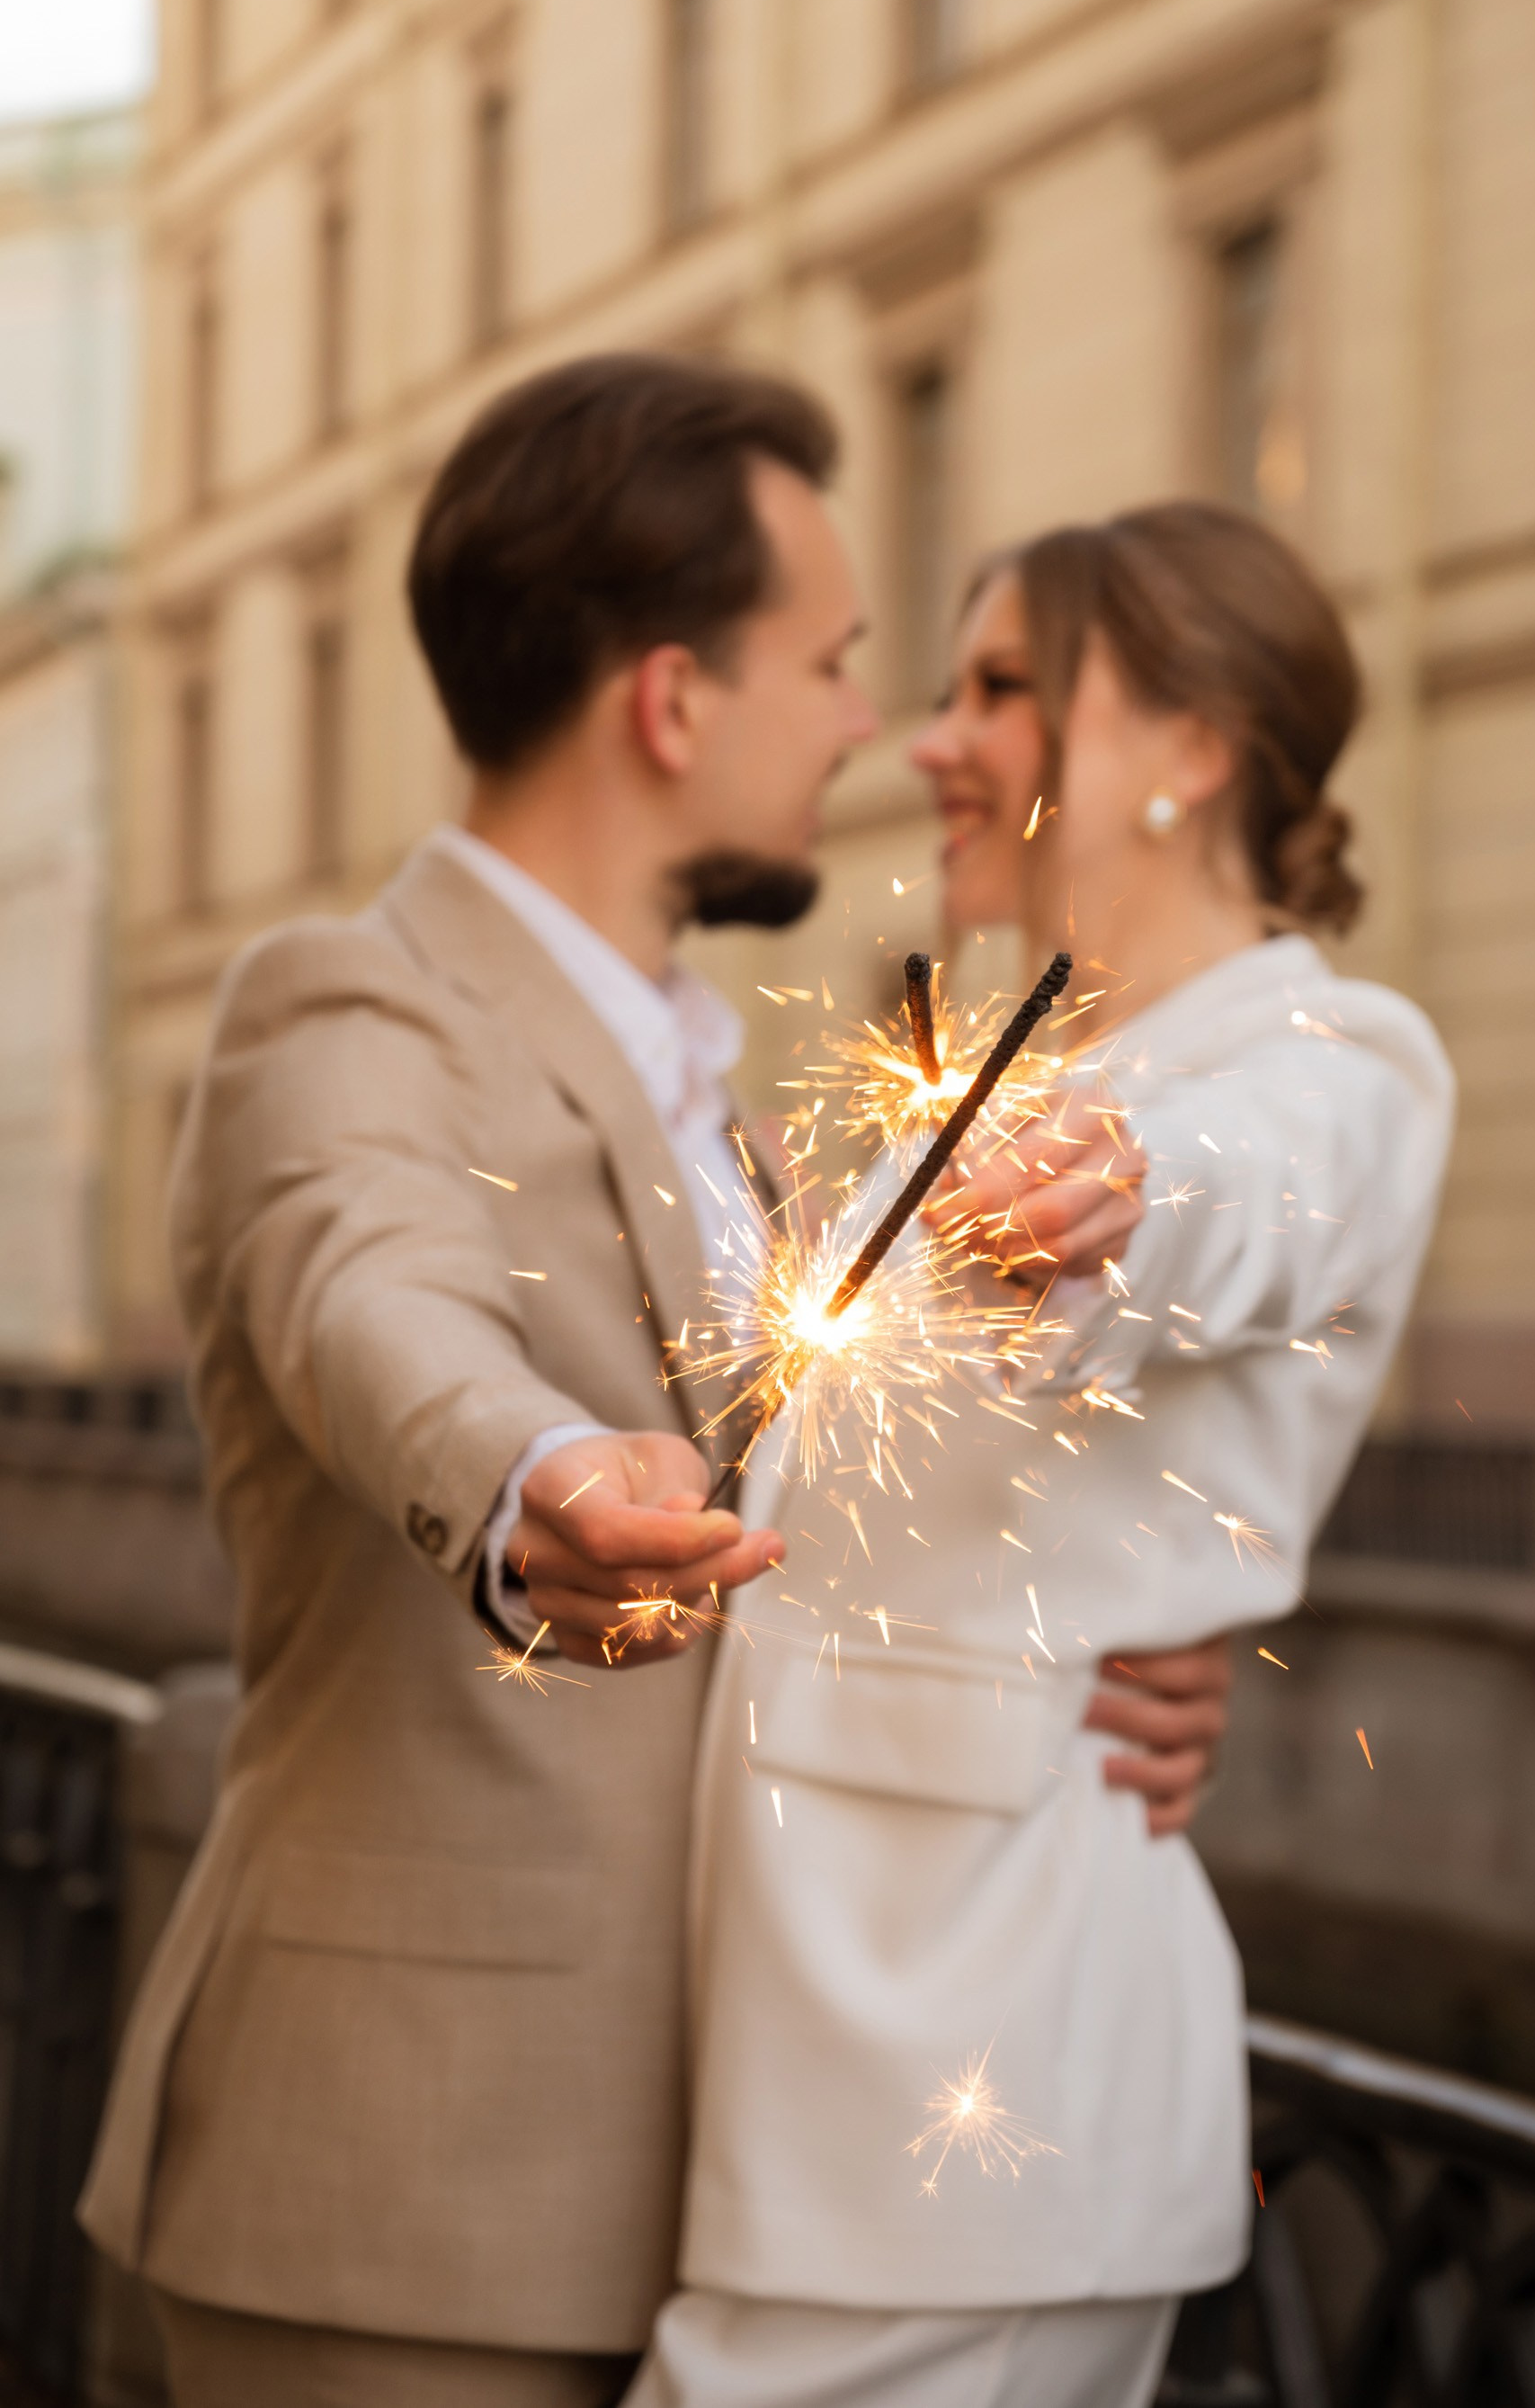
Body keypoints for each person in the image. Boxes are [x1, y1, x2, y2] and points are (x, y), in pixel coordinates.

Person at [79, 357, 1232, 2408]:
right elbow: (367, 1293)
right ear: (673, 698)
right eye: (832, 662)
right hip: (410, 2198)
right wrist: (534, 1480)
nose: (868, 725)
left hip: (736, 2191)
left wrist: (1100, 1663)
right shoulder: (346, 1003)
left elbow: (830, 1520)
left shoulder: (726, 1092)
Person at [629, 503, 1457, 2408]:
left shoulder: (1330, 1062)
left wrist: (1127, 1206)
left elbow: (1257, 1206)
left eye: (1002, 686)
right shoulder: (1022, 1068)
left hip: (974, 2111)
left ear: (1192, 748)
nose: (933, 737)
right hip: (830, 2091)